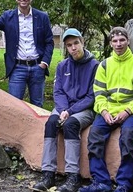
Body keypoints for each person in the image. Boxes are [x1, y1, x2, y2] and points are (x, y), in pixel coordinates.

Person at [80, 27, 133, 192]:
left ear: (128, 41)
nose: (118, 44)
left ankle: (124, 183)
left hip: (132, 112)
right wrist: (104, 111)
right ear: (111, 43)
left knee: (127, 136)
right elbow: (99, 94)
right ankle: (101, 182)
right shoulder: (104, 65)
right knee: (95, 136)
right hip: (108, 111)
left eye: (122, 40)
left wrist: (127, 111)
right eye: (115, 41)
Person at [32, 28, 100, 192]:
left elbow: (92, 96)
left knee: (70, 125)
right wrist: (63, 109)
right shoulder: (63, 65)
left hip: (85, 109)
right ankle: (48, 174)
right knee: (51, 123)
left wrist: (70, 111)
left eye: (76, 43)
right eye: (69, 45)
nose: (73, 48)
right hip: (63, 108)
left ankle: (72, 176)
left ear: (82, 42)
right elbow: (58, 91)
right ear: (66, 48)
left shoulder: (95, 65)